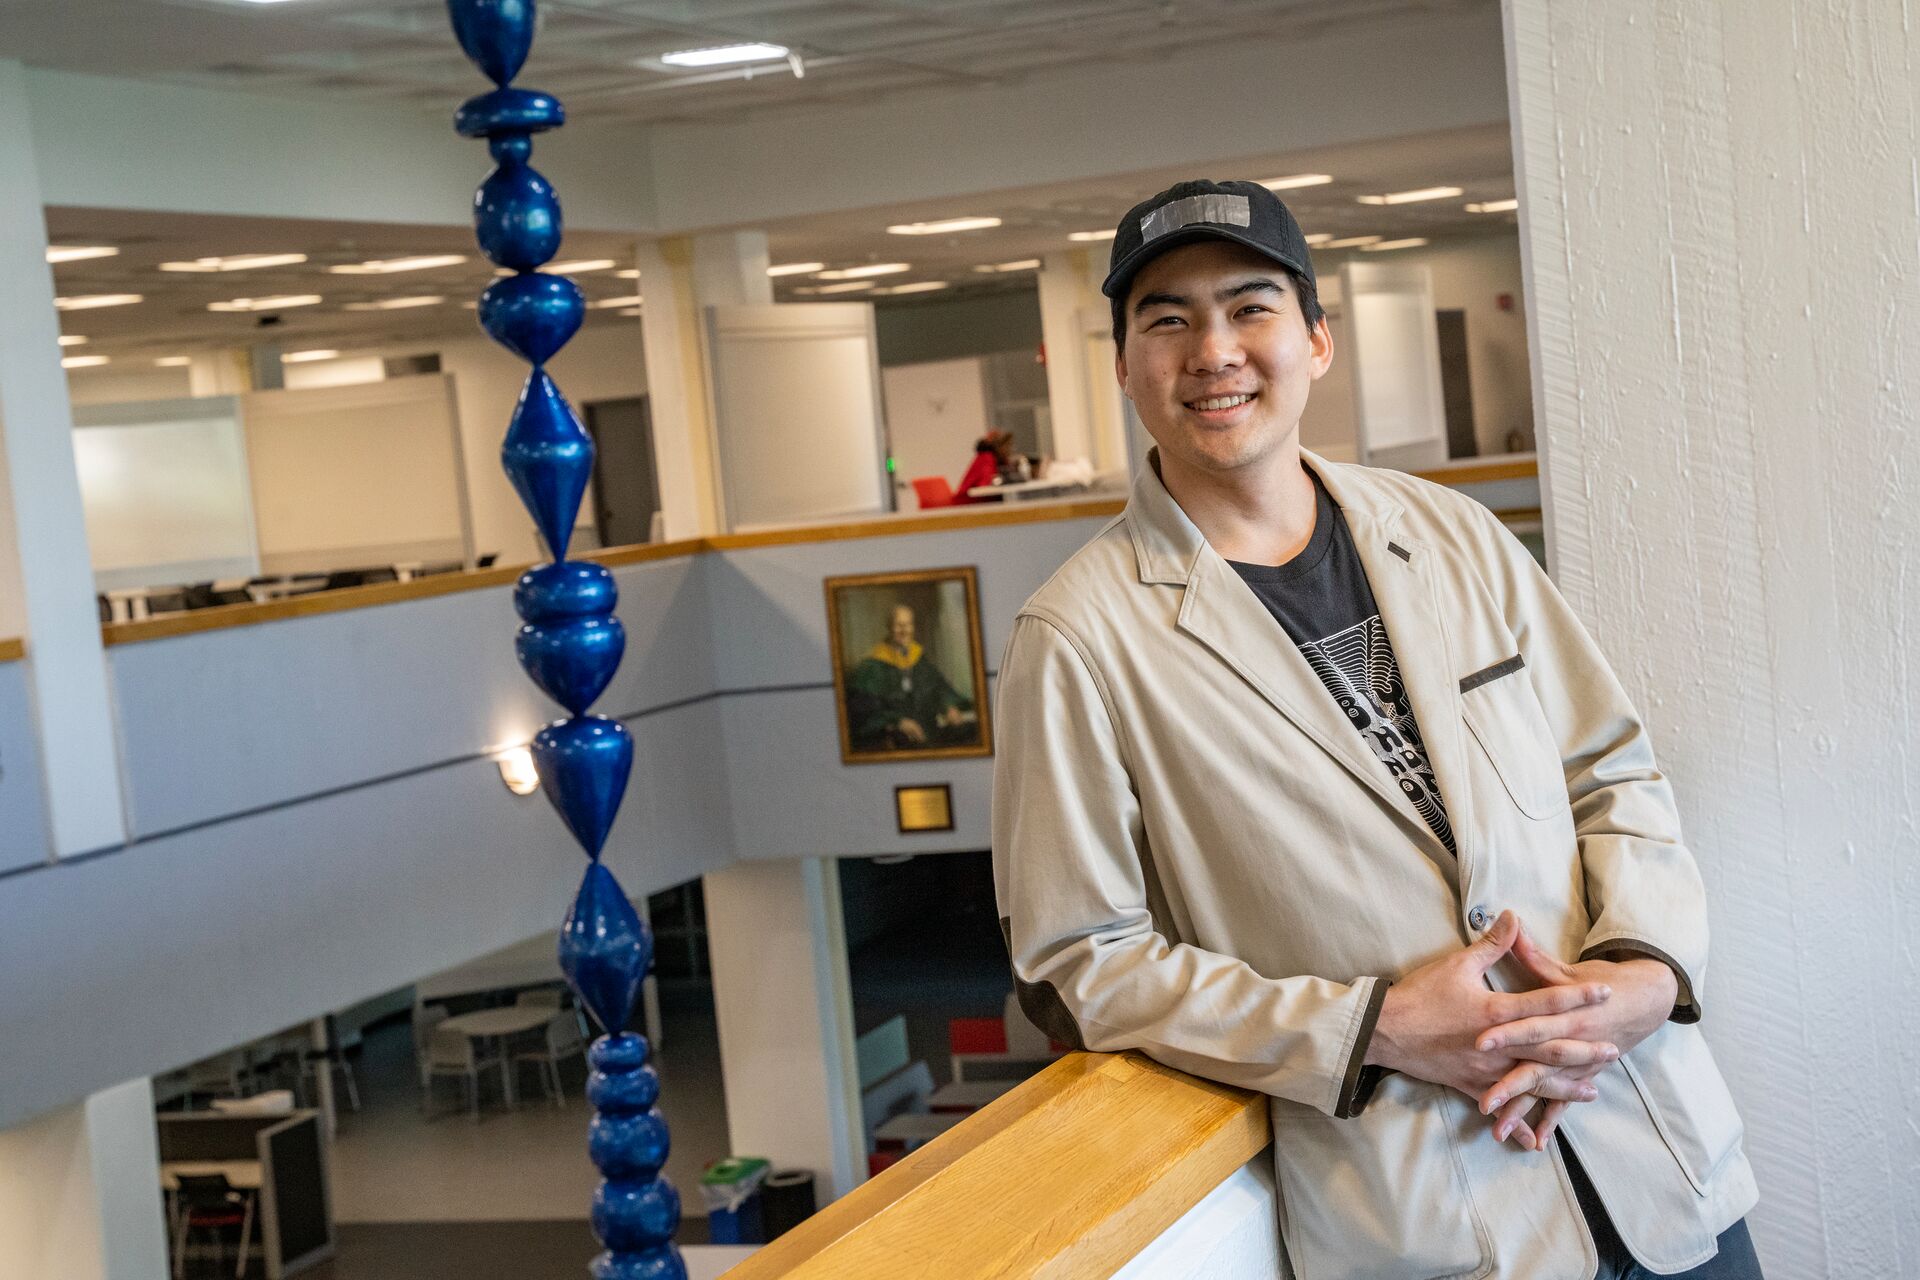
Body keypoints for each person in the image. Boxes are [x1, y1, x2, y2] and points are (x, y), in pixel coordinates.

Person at [991, 180, 1760, 1279]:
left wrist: (1642, 968)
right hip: (1434, 1220)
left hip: (1655, 1161)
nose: (1214, 350)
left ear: (1315, 341)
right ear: (1122, 363)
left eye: (1251, 308)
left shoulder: (1452, 533)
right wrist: (1371, 1025)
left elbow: (1609, 768)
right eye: (1167, 318)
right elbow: (1075, 964)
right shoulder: (1078, 635)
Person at [844, 603, 976, 752]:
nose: (904, 631)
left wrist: (949, 706)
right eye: (899, 625)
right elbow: (863, 710)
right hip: (894, 741)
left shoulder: (919, 659)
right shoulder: (871, 667)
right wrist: (897, 722)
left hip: (930, 734)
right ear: (889, 627)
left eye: (908, 625)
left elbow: (939, 688)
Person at [954, 429, 1016, 503]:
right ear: (998, 447)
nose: (1010, 450)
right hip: (966, 502)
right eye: (1007, 446)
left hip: (982, 501)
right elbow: (984, 485)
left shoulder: (1000, 460)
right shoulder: (986, 458)